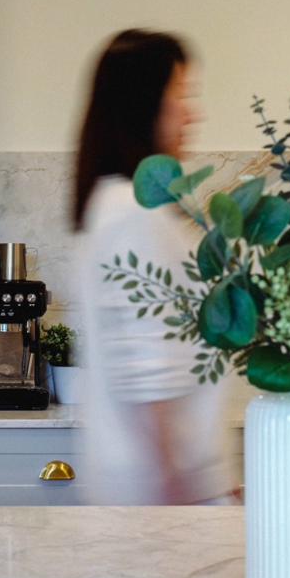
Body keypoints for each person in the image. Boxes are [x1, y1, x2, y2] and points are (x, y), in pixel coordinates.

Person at [71, 29, 240, 506]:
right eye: (180, 95)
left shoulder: (111, 203)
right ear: (143, 105)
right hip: (163, 496)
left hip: (150, 490)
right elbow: (151, 377)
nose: (192, 113)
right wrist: (179, 501)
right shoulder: (134, 212)